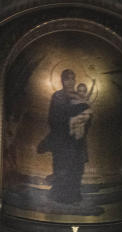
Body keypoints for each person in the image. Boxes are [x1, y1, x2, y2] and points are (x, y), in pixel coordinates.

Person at [36, 68, 90, 203]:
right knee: (61, 167)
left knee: (75, 168)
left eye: (72, 79)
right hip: (61, 141)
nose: (70, 82)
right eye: (67, 79)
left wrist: (82, 121)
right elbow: (53, 118)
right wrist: (71, 117)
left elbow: (88, 116)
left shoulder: (79, 97)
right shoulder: (58, 96)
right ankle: (58, 195)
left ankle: (73, 195)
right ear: (62, 81)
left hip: (76, 141)